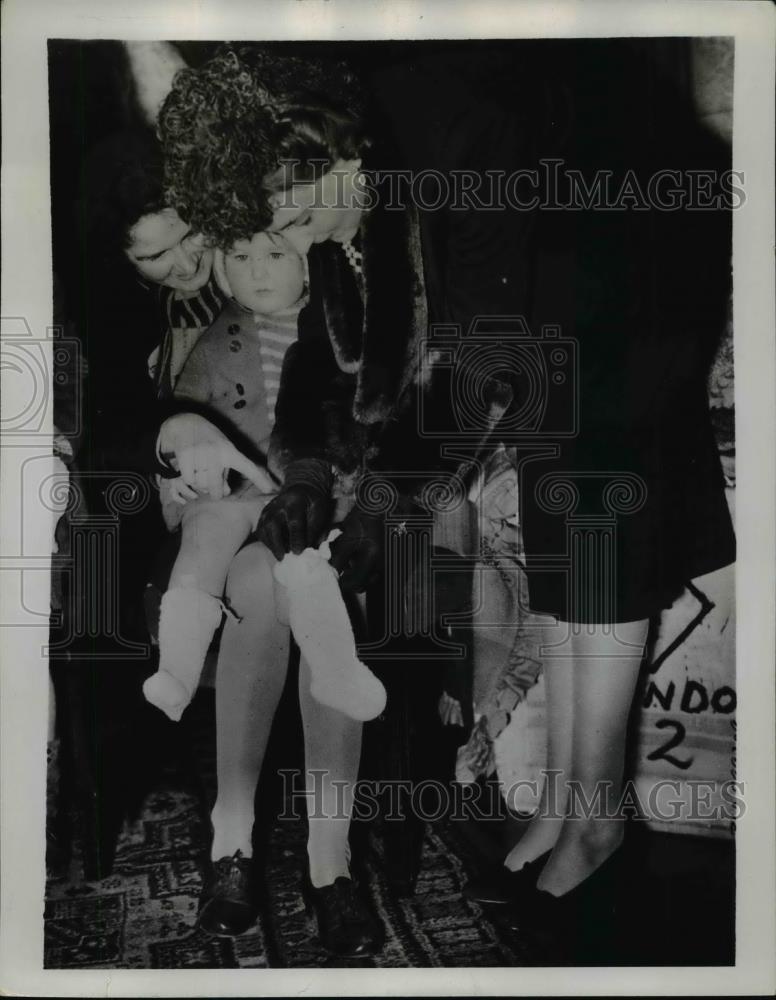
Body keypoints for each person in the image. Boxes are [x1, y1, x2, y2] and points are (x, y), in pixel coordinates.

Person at [142, 232, 304, 722]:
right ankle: (179, 664)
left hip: (311, 484)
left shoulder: (334, 329)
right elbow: (182, 411)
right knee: (206, 531)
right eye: (241, 257)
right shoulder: (215, 338)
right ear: (222, 267)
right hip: (234, 485)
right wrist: (178, 478)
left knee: (310, 562)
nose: (257, 272)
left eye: (275, 255)